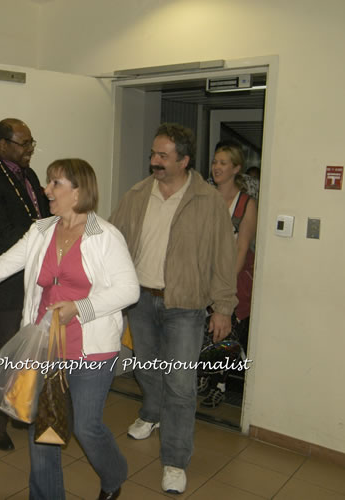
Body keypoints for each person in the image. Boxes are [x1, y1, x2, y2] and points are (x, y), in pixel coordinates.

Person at [0, 159, 139, 500]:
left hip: (91, 349)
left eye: (55, 183)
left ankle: (114, 473)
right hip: (45, 346)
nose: (46, 190)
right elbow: (1, 266)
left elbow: (128, 290)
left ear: (78, 191)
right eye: (47, 182)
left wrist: (78, 308)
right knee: (44, 431)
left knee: (86, 427)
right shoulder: (41, 230)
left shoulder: (105, 236)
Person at [110, 123, 237, 494]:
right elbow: (113, 243)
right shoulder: (136, 195)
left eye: (163, 156)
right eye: (153, 154)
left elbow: (223, 259)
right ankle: (151, 412)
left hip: (185, 305)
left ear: (184, 160)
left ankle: (175, 460)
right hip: (141, 299)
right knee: (146, 369)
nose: (154, 161)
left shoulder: (208, 201)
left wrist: (223, 308)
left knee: (180, 385)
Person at [0, 118, 49, 451]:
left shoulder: (29, 175)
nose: (30, 149)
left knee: (29, 355)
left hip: (32, 281)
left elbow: (44, 218)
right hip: (1, 285)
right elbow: (2, 234)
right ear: (3, 145)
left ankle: (20, 409)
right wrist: (38, 236)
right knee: (0, 357)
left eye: (32, 142)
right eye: (24, 143)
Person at [202, 142, 257, 407]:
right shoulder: (204, 197)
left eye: (223, 162)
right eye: (215, 161)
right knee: (202, 329)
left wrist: (225, 286)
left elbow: (241, 249)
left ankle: (219, 384)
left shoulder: (246, 205)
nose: (217, 167)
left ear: (236, 168)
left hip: (232, 277)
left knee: (226, 332)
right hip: (202, 274)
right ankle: (204, 375)